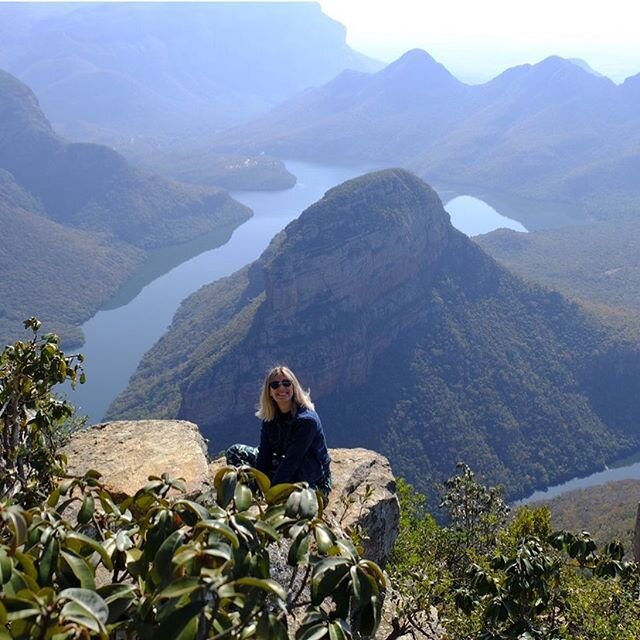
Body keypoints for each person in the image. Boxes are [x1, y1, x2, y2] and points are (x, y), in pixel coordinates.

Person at [226, 365, 332, 497]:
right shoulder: (270, 418)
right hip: (283, 466)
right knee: (234, 452)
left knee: (296, 499)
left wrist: (272, 493)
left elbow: (292, 461)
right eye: (275, 385)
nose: (281, 388)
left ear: (294, 387)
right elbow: (265, 455)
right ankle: (250, 495)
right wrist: (259, 483)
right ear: (269, 391)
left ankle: (270, 494)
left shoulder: (306, 421)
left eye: (286, 383)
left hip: (311, 477)